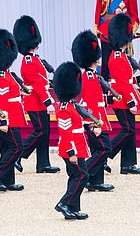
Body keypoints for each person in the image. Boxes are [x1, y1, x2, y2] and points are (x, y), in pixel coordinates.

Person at [13, 15, 59, 174]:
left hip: (39, 100)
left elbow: (42, 81)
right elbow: (38, 85)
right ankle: (18, 155)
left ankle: (43, 164)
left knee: (45, 133)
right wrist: (48, 102)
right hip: (36, 102)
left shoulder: (33, 59)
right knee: (40, 131)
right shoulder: (30, 61)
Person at [71, 30, 114, 192]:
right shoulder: (89, 77)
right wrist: (94, 124)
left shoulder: (92, 75)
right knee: (105, 148)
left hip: (97, 118)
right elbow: (90, 102)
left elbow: (98, 100)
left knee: (98, 149)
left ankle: (96, 182)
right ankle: (84, 172)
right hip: (94, 120)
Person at [107, 13, 140, 174]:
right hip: (122, 100)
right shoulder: (118, 57)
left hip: (123, 97)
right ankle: (104, 154)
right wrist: (131, 103)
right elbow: (123, 84)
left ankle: (128, 165)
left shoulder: (120, 55)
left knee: (131, 131)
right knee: (127, 130)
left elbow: (126, 79)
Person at [0, 29, 26, 192]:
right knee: (17, 147)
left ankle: (8, 180)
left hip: (12, 117)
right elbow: (0, 101)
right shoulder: (1, 77)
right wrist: (3, 121)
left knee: (6, 148)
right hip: (7, 119)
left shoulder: (5, 74)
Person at [52, 62, 90, 220]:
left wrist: (89, 127)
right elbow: (66, 133)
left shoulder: (71, 105)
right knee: (82, 176)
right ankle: (64, 203)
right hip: (71, 149)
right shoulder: (64, 108)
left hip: (78, 146)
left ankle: (73, 209)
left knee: (75, 176)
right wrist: (71, 153)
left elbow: (77, 125)